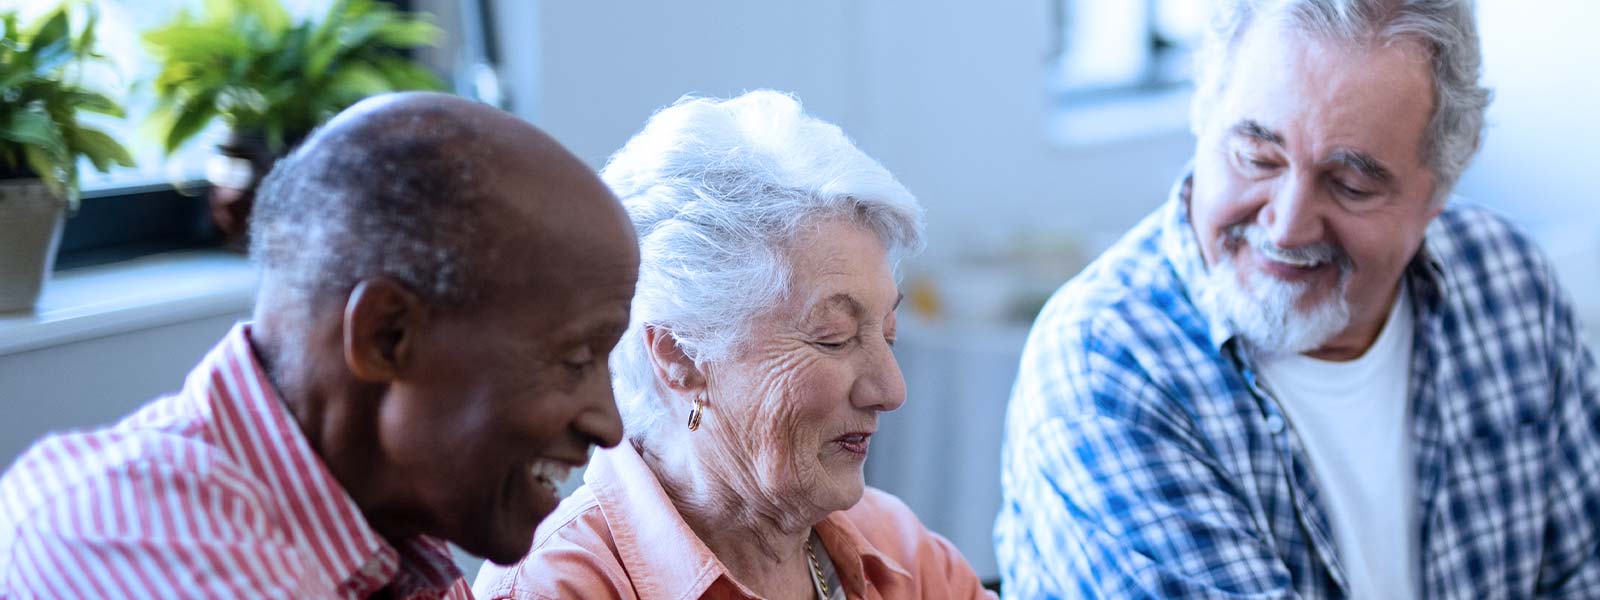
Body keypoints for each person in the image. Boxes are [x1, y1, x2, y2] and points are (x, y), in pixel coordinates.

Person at [996, 0, 1599, 597]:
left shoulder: (1508, 281)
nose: (1286, 226)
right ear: (1203, 115)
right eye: (1257, 157)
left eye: (1350, 183)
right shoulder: (1104, 364)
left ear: (1439, 188)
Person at [0, 92, 639, 597]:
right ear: (386, 337)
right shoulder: (124, 532)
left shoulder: (400, 548)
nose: (608, 426)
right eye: (576, 360)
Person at [473, 90, 994, 600]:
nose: (891, 389)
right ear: (680, 355)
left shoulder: (900, 553)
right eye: (832, 338)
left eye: (888, 335)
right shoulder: (559, 587)